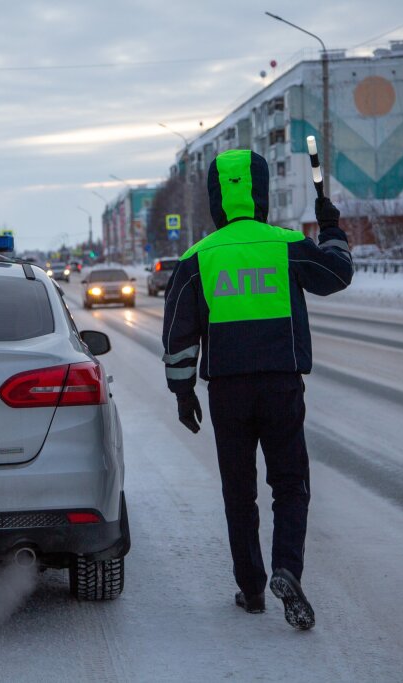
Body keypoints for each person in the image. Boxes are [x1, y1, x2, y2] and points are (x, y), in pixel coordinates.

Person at [161, 149, 352, 630]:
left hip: (227, 391)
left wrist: (183, 392)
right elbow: (336, 274)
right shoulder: (284, 245)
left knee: (238, 490)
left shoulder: (197, 259)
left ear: (215, 199)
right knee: (290, 485)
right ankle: (287, 568)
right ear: (262, 193)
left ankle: (250, 588)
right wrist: (330, 230)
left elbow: (178, 336)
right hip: (281, 384)